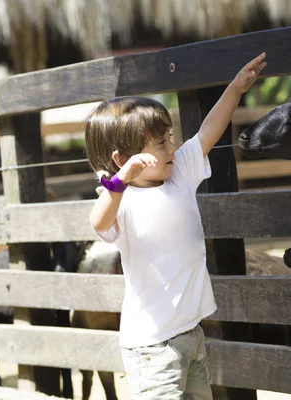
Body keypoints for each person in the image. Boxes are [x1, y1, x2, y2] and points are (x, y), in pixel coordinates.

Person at [85, 53, 267, 399]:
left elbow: (207, 133)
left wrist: (235, 89)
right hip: (152, 348)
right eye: (161, 143)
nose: (172, 147)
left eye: (169, 138)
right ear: (123, 160)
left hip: (191, 334)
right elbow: (98, 222)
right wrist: (120, 181)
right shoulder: (119, 201)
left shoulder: (179, 173)